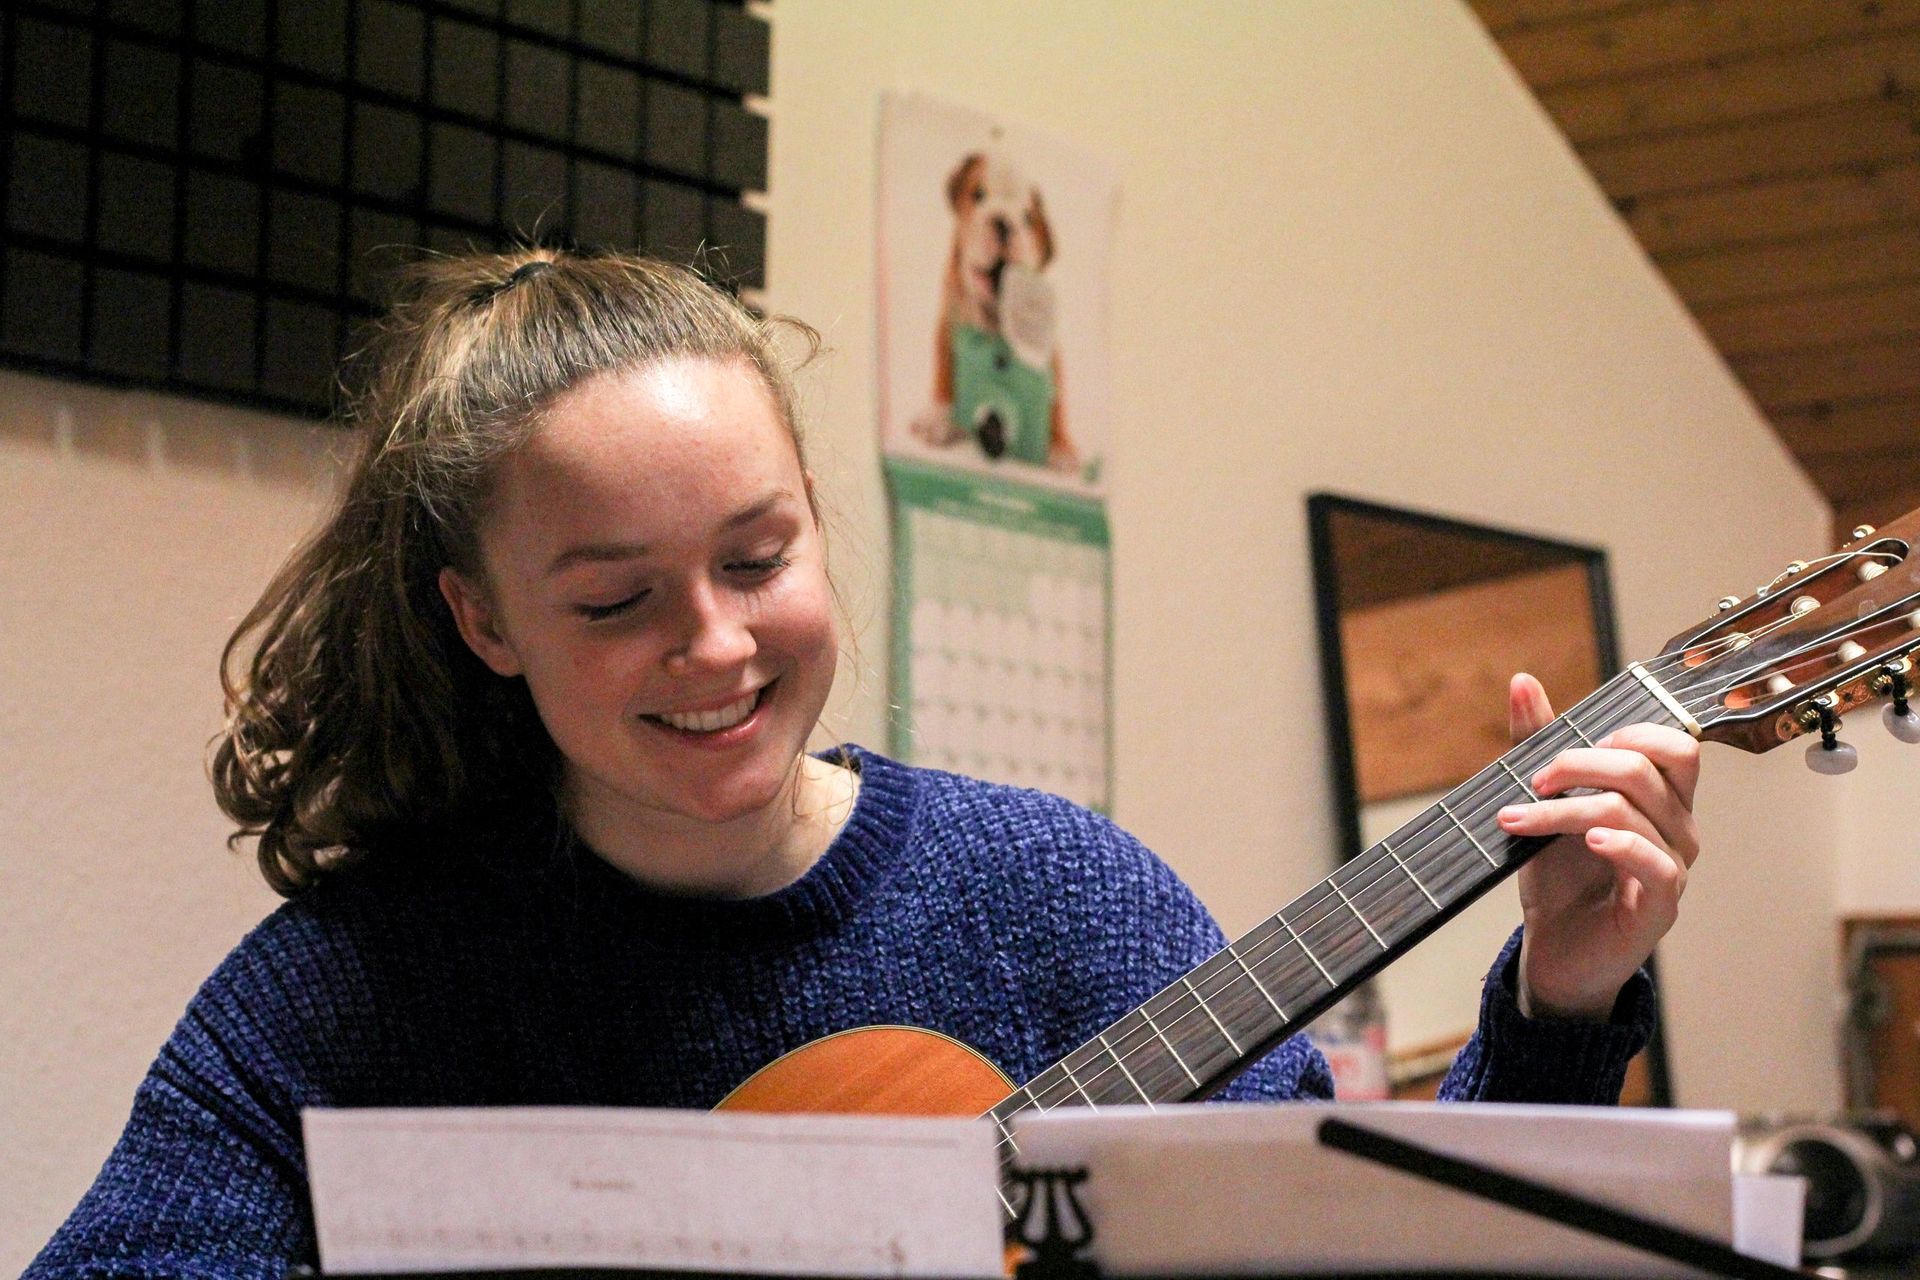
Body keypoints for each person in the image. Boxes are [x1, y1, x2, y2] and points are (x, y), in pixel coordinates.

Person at [25, 250, 1701, 1278]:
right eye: (616, 599)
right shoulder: (361, 990)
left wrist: (1558, 1005)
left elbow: (1357, 1266)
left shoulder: (1061, 902)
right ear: (482, 620)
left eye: (757, 559)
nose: (715, 647)